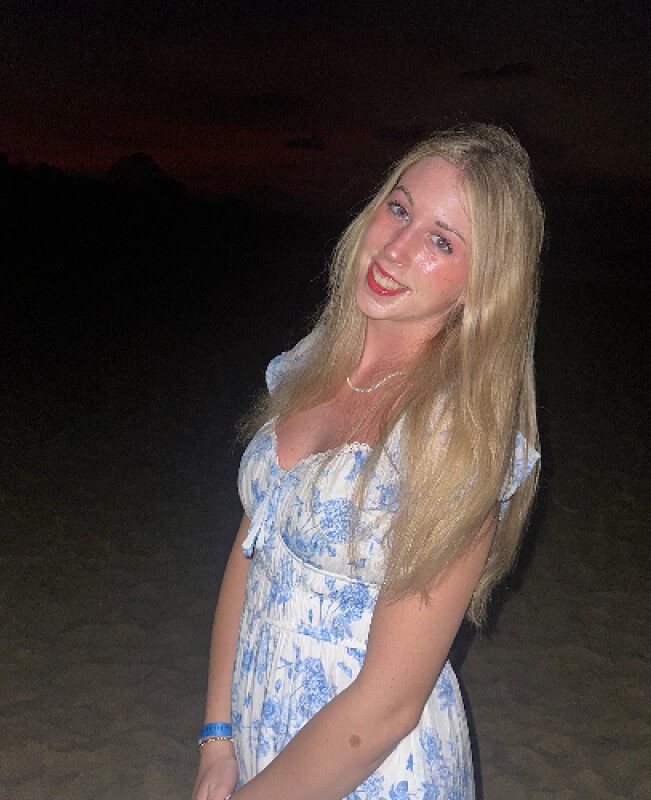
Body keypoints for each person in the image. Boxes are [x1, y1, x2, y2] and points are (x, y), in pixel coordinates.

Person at [191, 123, 544, 800]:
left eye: (442, 241)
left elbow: (387, 708)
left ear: (482, 287)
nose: (397, 248)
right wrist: (217, 733)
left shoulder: (457, 440)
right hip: (260, 736)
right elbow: (251, 546)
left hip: (374, 773)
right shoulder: (316, 361)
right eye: (400, 208)